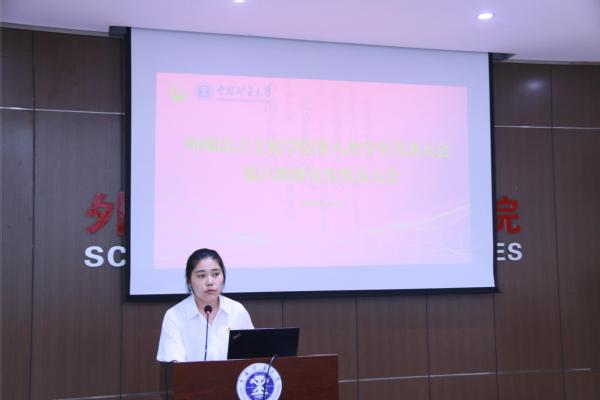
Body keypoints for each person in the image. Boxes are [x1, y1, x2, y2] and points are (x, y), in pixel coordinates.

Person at [156, 248, 254, 362]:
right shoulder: (175, 316)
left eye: (216, 274)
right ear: (189, 280)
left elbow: (252, 356)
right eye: (201, 276)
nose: (210, 282)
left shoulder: (237, 311)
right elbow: (173, 364)